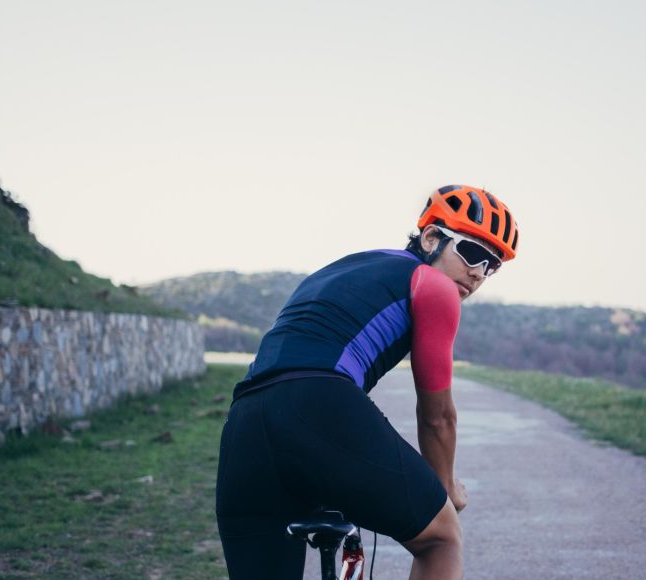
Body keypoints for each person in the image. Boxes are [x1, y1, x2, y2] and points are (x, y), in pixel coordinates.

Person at [215, 185, 519, 580]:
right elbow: (437, 417)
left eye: (491, 266)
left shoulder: (345, 267)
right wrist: (444, 487)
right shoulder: (435, 285)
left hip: (244, 423)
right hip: (320, 402)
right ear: (430, 237)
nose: (478, 273)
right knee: (441, 537)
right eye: (471, 252)